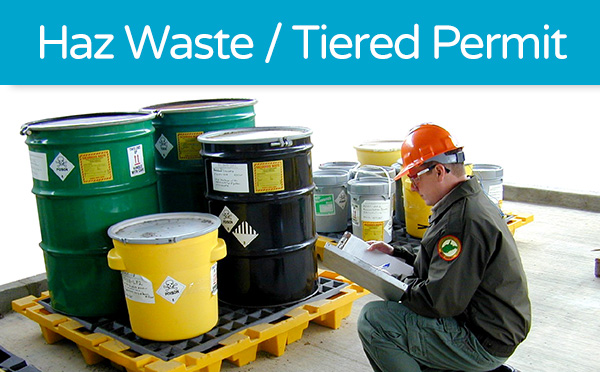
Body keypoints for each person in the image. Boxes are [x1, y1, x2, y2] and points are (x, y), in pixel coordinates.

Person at [357, 123, 531, 372]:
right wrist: (399, 255)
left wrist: (394, 282)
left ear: (439, 171)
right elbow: (447, 266)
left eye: (415, 177)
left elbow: (437, 302)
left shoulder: (460, 221)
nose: (413, 186)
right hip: (489, 326)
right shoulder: (467, 200)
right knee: (399, 316)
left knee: (375, 319)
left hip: (481, 339)